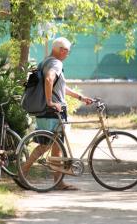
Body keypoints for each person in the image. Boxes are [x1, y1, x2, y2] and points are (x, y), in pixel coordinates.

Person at [22, 37, 93, 190]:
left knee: (55, 147)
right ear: (61, 50)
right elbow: (49, 79)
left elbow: (59, 87)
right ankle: (23, 172)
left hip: (47, 110)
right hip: (52, 111)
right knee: (45, 146)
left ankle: (58, 182)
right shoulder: (56, 63)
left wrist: (81, 98)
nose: (68, 54)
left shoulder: (45, 62)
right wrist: (50, 102)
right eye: (67, 51)